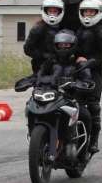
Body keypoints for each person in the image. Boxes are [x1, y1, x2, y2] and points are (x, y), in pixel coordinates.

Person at [36, 29, 96, 158]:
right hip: (52, 97)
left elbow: (87, 79)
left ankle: (84, 150)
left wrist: (80, 84)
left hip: (72, 98)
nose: (63, 47)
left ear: (73, 46)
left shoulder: (79, 62)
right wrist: (31, 81)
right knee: (32, 106)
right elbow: (39, 75)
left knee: (85, 115)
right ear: (55, 45)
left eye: (66, 45)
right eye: (60, 45)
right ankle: (37, 140)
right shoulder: (50, 62)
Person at [75, 0, 102, 154]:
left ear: (98, 13)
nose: (88, 14)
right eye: (86, 11)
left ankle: (94, 140)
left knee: (93, 106)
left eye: (91, 11)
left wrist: (88, 61)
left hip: (94, 72)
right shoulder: (78, 28)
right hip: (74, 69)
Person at [23, 0, 65, 75]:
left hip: (61, 63)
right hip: (41, 65)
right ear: (45, 11)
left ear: (60, 12)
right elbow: (27, 49)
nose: (52, 13)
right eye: (50, 11)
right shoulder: (38, 28)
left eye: (55, 11)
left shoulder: (63, 27)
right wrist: (44, 55)